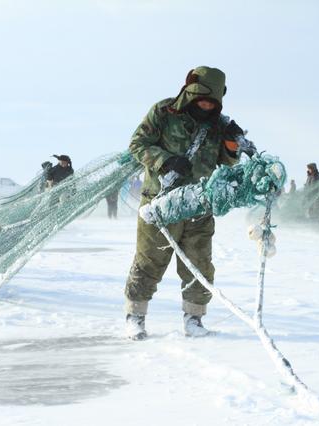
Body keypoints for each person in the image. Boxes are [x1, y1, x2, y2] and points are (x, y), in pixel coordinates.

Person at [124, 66, 251, 340]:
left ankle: (194, 318)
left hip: (198, 205)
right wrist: (165, 160)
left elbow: (226, 163)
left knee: (199, 264)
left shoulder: (219, 125)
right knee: (149, 262)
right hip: (160, 204)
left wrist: (231, 145)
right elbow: (137, 144)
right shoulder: (163, 112)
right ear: (192, 94)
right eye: (203, 101)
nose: (207, 107)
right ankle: (136, 315)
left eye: (213, 103)